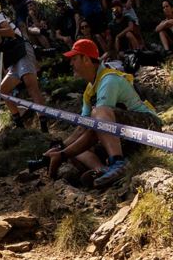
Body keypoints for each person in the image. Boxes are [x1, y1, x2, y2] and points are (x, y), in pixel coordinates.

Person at [43, 38, 162, 188]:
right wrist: (61, 149)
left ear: (86, 59)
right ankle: (103, 170)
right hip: (124, 135)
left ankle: (117, 162)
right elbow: (83, 127)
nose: (71, 63)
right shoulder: (89, 89)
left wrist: (62, 154)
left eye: (74, 59)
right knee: (77, 149)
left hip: (148, 127)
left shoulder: (109, 79)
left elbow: (97, 124)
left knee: (99, 112)